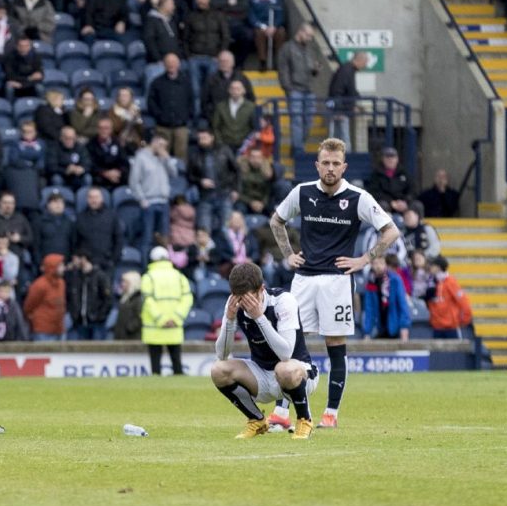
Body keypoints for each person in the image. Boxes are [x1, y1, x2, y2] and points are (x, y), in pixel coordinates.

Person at [270, 137, 399, 428]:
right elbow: (276, 221)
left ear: (344, 166)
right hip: (303, 279)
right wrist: (289, 255)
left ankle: (331, 414)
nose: (330, 168)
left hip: (337, 282)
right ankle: (282, 411)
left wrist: (364, 259)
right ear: (317, 165)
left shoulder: (358, 197)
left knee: (335, 345)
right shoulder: (302, 192)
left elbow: (390, 231)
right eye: (325, 163)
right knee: (290, 346)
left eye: (335, 163)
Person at [211, 262, 317, 439]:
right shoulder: (234, 305)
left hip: (299, 373)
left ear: (262, 289)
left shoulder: (283, 301)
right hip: (262, 375)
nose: (245, 305)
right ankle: (257, 420)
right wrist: (229, 320)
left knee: (284, 368)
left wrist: (259, 317)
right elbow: (221, 355)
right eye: (240, 299)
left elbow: (285, 354)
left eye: (249, 298)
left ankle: (304, 419)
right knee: (218, 369)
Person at [141, 246, 192, 375]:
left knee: (155, 369)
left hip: (154, 328)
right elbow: (187, 298)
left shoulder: (148, 277)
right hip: (174, 327)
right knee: (177, 365)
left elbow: (148, 301)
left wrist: (161, 319)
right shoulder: (179, 276)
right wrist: (176, 318)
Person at [277, 23, 319, 154]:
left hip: (308, 89)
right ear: (300, 32)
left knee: (309, 122)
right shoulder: (287, 48)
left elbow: (312, 69)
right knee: (297, 121)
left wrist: (316, 69)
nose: (310, 38)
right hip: (295, 89)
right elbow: (283, 70)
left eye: (311, 36)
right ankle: (298, 150)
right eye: (308, 35)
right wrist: (288, 88)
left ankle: (297, 145)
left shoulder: (309, 49)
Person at [184, 0, 229, 116]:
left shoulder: (218, 15)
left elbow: (225, 36)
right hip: (195, 57)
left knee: (213, 89)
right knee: (195, 90)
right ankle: (197, 117)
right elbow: (185, 39)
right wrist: (189, 56)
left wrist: (220, 54)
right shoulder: (190, 16)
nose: (201, 0)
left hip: (213, 58)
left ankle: (212, 115)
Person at [147, 53, 192, 159]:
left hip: (181, 127)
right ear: (164, 65)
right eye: (168, 63)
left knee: (181, 158)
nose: (171, 65)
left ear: (178, 64)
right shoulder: (157, 82)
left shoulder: (186, 82)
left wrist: (186, 116)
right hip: (162, 127)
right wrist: (159, 116)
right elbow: (151, 102)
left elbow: (191, 101)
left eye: (173, 62)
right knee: (161, 158)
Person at [73, 186, 124, 272]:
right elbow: (75, 241)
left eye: (96, 197)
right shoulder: (80, 217)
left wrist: (113, 260)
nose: (94, 200)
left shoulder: (111, 216)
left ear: (102, 198)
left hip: (106, 263)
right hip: (86, 264)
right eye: (91, 197)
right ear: (87, 199)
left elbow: (118, 239)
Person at [65, 250, 112, 340]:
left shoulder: (100, 276)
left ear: (83, 259)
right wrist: (74, 315)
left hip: (96, 323)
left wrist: (100, 316)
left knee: (98, 352)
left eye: (75, 259)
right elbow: (70, 298)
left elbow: (108, 299)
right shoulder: (75, 277)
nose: (73, 262)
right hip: (79, 322)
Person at [361, 255, 411, 341]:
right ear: (371, 265)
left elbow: (402, 304)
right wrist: (367, 332)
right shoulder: (370, 283)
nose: (378, 266)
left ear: (385, 264)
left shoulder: (395, 279)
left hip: (395, 327)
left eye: (381, 263)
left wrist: (404, 327)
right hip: (380, 327)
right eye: (375, 263)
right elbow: (369, 309)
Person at [424, 255, 473, 339]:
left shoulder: (450, 282)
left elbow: (463, 302)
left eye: (432, 265)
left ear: (438, 267)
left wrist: (463, 320)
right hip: (437, 327)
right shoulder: (432, 282)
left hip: (451, 328)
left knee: (455, 351)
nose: (429, 267)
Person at [326, 51, 367, 148]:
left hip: (341, 107)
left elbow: (349, 90)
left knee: (339, 137)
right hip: (340, 109)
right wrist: (342, 109)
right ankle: (343, 158)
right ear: (359, 60)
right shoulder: (347, 70)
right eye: (365, 62)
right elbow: (337, 90)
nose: (365, 66)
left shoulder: (347, 69)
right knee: (342, 137)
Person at [201, 50, 255, 121]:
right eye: (221, 61)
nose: (224, 64)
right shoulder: (211, 79)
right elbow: (205, 101)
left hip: (241, 119)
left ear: (233, 63)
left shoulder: (242, 78)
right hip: (218, 119)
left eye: (226, 61)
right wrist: (213, 116)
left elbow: (251, 98)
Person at [23, 253, 66, 340]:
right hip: (43, 330)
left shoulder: (61, 283)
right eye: (60, 266)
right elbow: (28, 306)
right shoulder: (39, 285)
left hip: (59, 328)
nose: (64, 268)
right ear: (52, 267)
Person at [211, 79, 256, 153]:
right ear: (229, 90)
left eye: (238, 88)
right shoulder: (220, 106)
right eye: (232, 88)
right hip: (225, 145)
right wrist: (220, 143)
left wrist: (249, 144)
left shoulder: (251, 107)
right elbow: (216, 127)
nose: (235, 91)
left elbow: (254, 127)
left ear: (244, 91)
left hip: (245, 146)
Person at [367, 147, 413, 214]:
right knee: (381, 205)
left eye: (393, 157)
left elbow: (412, 190)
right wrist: (391, 202)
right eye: (387, 157)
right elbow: (374, 192)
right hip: (386, 203)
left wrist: (405, 201)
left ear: (397, 159)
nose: (390, 160)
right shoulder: (377, 174)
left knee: (416, 205)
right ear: (383, 159)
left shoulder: (404, 173)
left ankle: (415, 224)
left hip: (403, 203)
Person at [88, 116, 130, 189]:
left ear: (111, 129)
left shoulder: (117, 142)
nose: (103, 131)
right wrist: (105, 173)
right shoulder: (91, 144)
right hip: (101, 176)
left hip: (117, 174)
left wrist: (118, 172)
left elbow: (124, 161)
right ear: (97, 129)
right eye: (101, 128)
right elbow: (91, 165)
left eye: (106, 128)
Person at [46, 125, 91, 191]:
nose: (70, 141)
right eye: (67, 138)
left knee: (88, 178)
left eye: (72, 138)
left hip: (77, 176)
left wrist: (82, 169)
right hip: (62, 175)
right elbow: (51, 166)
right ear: (61, 138)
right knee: (56, 178)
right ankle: (59, 199)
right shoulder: (54, 148)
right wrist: (66, 170)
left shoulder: (80, 147)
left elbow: (88, 163)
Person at [114, 271, 142, 340]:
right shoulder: (125, 298)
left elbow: (139, 318)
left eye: (125, 282)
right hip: (122, 336)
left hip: (132, 337)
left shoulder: (138, 299)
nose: (122, 284)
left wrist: (129, 328)